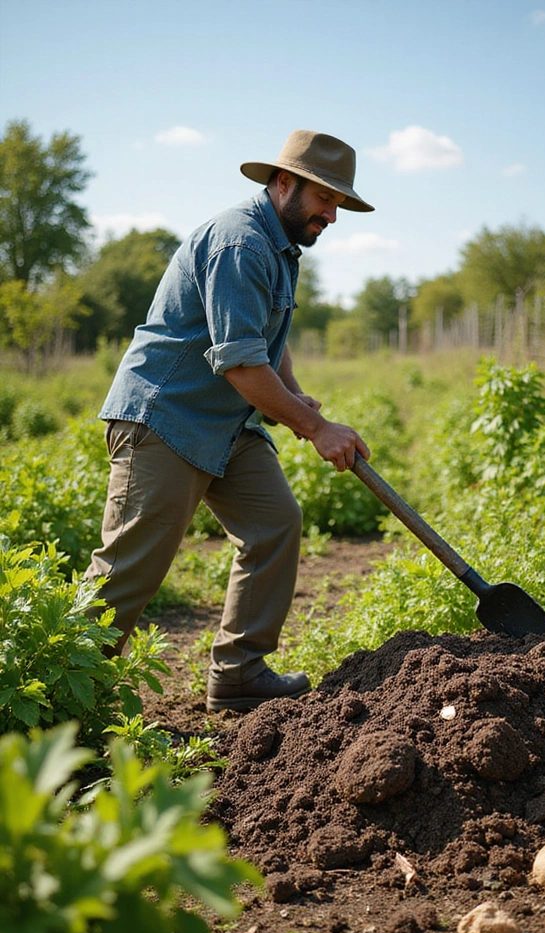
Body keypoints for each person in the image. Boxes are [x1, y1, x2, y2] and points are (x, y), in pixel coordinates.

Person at [85, 130, 373, 713]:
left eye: (340, 204)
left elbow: (265, 339)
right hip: (165, 417)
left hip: (226, 425)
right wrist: (316, 429)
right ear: (283, 182)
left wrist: (292, 394)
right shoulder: (240, 242)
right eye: (325, 199)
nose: (332, 215)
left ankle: (239, 672)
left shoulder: (280, 245)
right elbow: (241, 364)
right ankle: (58, 693)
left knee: (275, 524)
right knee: (129, 570)